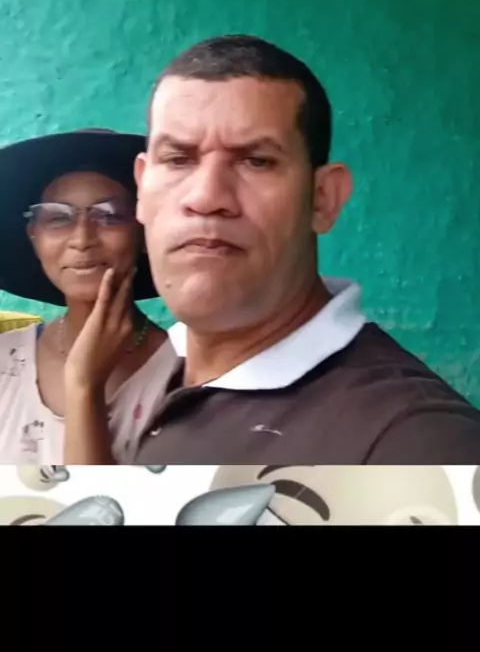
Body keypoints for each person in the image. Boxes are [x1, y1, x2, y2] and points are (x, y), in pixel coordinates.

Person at [132, 34, 480, 465]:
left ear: (322, 199)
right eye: (178, 159)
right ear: (141, 189)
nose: (206, 197)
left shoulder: (420, 443)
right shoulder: (140, 372)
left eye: (256, 161)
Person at [0, 128, 178, 465]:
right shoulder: (3, 360)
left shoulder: (185, 379)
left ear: (144, 234)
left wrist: (85, 385)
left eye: (109, 216)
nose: (82, 239)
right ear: (33, 236)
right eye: (58, 217)